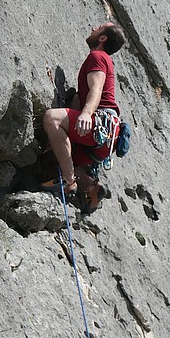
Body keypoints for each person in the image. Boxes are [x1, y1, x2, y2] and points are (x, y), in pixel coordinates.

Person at [42, 21, 125, 203]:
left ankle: (68, 181)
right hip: (105, 141)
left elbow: (96, 88)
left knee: (51, 119)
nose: (93, 28)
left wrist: (86, 114)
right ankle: (91, 188)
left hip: (101, 127)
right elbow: (81, 97)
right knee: (57, 158)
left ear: (102, 38)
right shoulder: (100, 59)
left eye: (98, 28)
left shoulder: (98, 57)